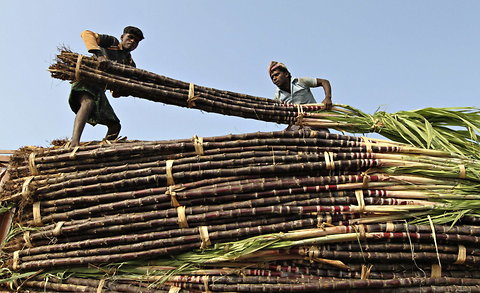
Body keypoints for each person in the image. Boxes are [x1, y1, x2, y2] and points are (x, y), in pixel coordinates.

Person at [68, 26, 145, 147]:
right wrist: (99, 55)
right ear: (122, 37)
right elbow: (87, 34)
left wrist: (124, 91)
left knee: (115, 126)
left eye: (136, 41)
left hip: (99, 91)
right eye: (130, 37)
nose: (132, 42)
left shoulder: (129, 63)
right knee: (88, 103)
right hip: (86, 81)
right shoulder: (111, 43)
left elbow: (115, 93)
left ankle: (101, 149)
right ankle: (74, 142)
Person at [268, 61, 332, 131]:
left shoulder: (300, 82)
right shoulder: (278, 96)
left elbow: (324, 82)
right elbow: (278, 114)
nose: (274, 78)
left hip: (314, 119)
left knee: (324, 135)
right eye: (272, 77)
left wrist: (327, 98)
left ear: (286, 74)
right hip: (296, 124)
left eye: (277, 75)